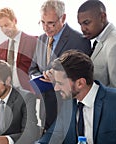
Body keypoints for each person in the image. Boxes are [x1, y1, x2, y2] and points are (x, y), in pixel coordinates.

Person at [20, 50, 116, 144]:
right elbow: (55, 132)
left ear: (80, 83)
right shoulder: (70, 100)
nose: (56, 89)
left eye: (59, 83)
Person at [28, 0, 92, 131]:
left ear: (63, 18)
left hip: (67, 110)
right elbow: (33, 69)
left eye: (51, 23)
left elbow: (83, 77)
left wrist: (56, 77)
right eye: (43, 22)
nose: (46, 28)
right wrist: (40, 77)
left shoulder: (80, 41)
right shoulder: (41, 39)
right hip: (45, 109)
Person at [77, 0, 116, 96]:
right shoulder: (100, 40)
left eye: (86, 23)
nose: (82, 29)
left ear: (102, 17)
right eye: (80, 24)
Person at [0, 7, 37, 92]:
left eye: (6, 25)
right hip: (8, 93)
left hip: (28, 92)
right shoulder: (1, 47)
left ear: (15, 21)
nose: (4, 29)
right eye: (1, 27)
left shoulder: (33, 41)